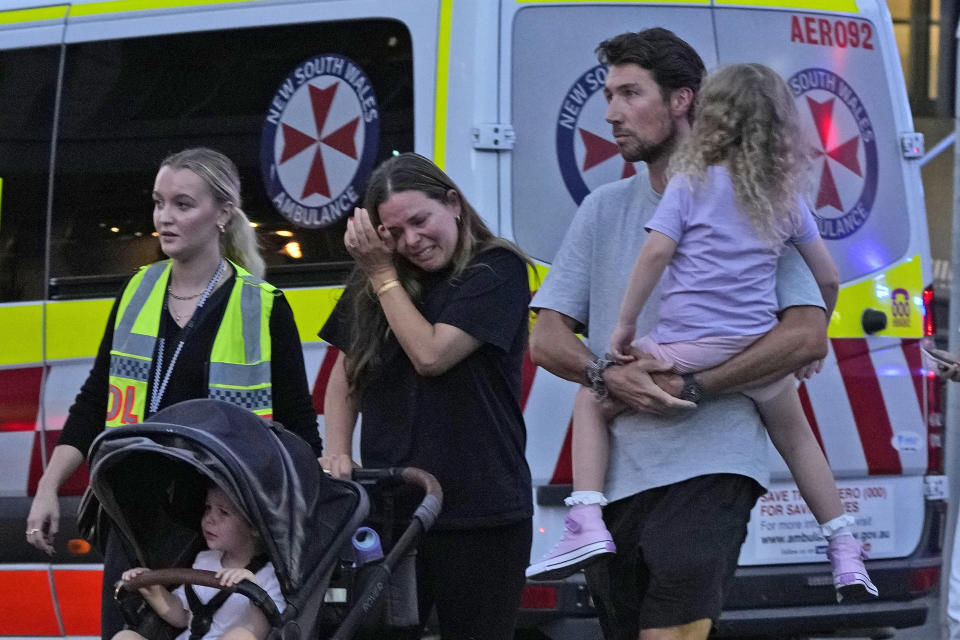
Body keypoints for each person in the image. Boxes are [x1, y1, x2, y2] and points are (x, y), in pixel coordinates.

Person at [526, 29, 840, 640]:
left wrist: (693, 384)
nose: (611, 112)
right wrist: (607, 374)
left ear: (682, 100)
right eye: (607, 95)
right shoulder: (602, 208)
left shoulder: (758, 196)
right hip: (618, 475)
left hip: (715, 461)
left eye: (629, 93)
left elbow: (806, 334)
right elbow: (547, 339)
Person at [25, 147, 321, 639]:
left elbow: (297, 428)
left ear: (223, 213)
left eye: (183, 204)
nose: (164, 217)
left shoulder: (263, 306)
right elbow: (96, 400)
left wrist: (290, 527)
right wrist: (48, 486)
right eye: (159, 203)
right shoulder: (137, 291)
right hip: (136, 514)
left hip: (219, 525)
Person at [318, 152, 533, 639]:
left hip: (482, 512)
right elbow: (345, 377)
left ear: (453, 203)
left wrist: (382, 274)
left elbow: (431, 355)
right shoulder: (379, 279)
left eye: (420, 220)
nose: (412, 241)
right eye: (393, 232)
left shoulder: (496, 269)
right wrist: (336, 453)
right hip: (394, 508)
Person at [113, 484, 285, 640]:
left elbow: (263, 631)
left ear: (255, 526)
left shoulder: (271, 577)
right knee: (125, 637)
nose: (209, 518)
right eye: (208, 508)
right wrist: (152, 589)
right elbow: (182, 616)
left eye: (223, 512)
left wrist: (255, 591)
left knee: (241, 637)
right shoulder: (205, 560)